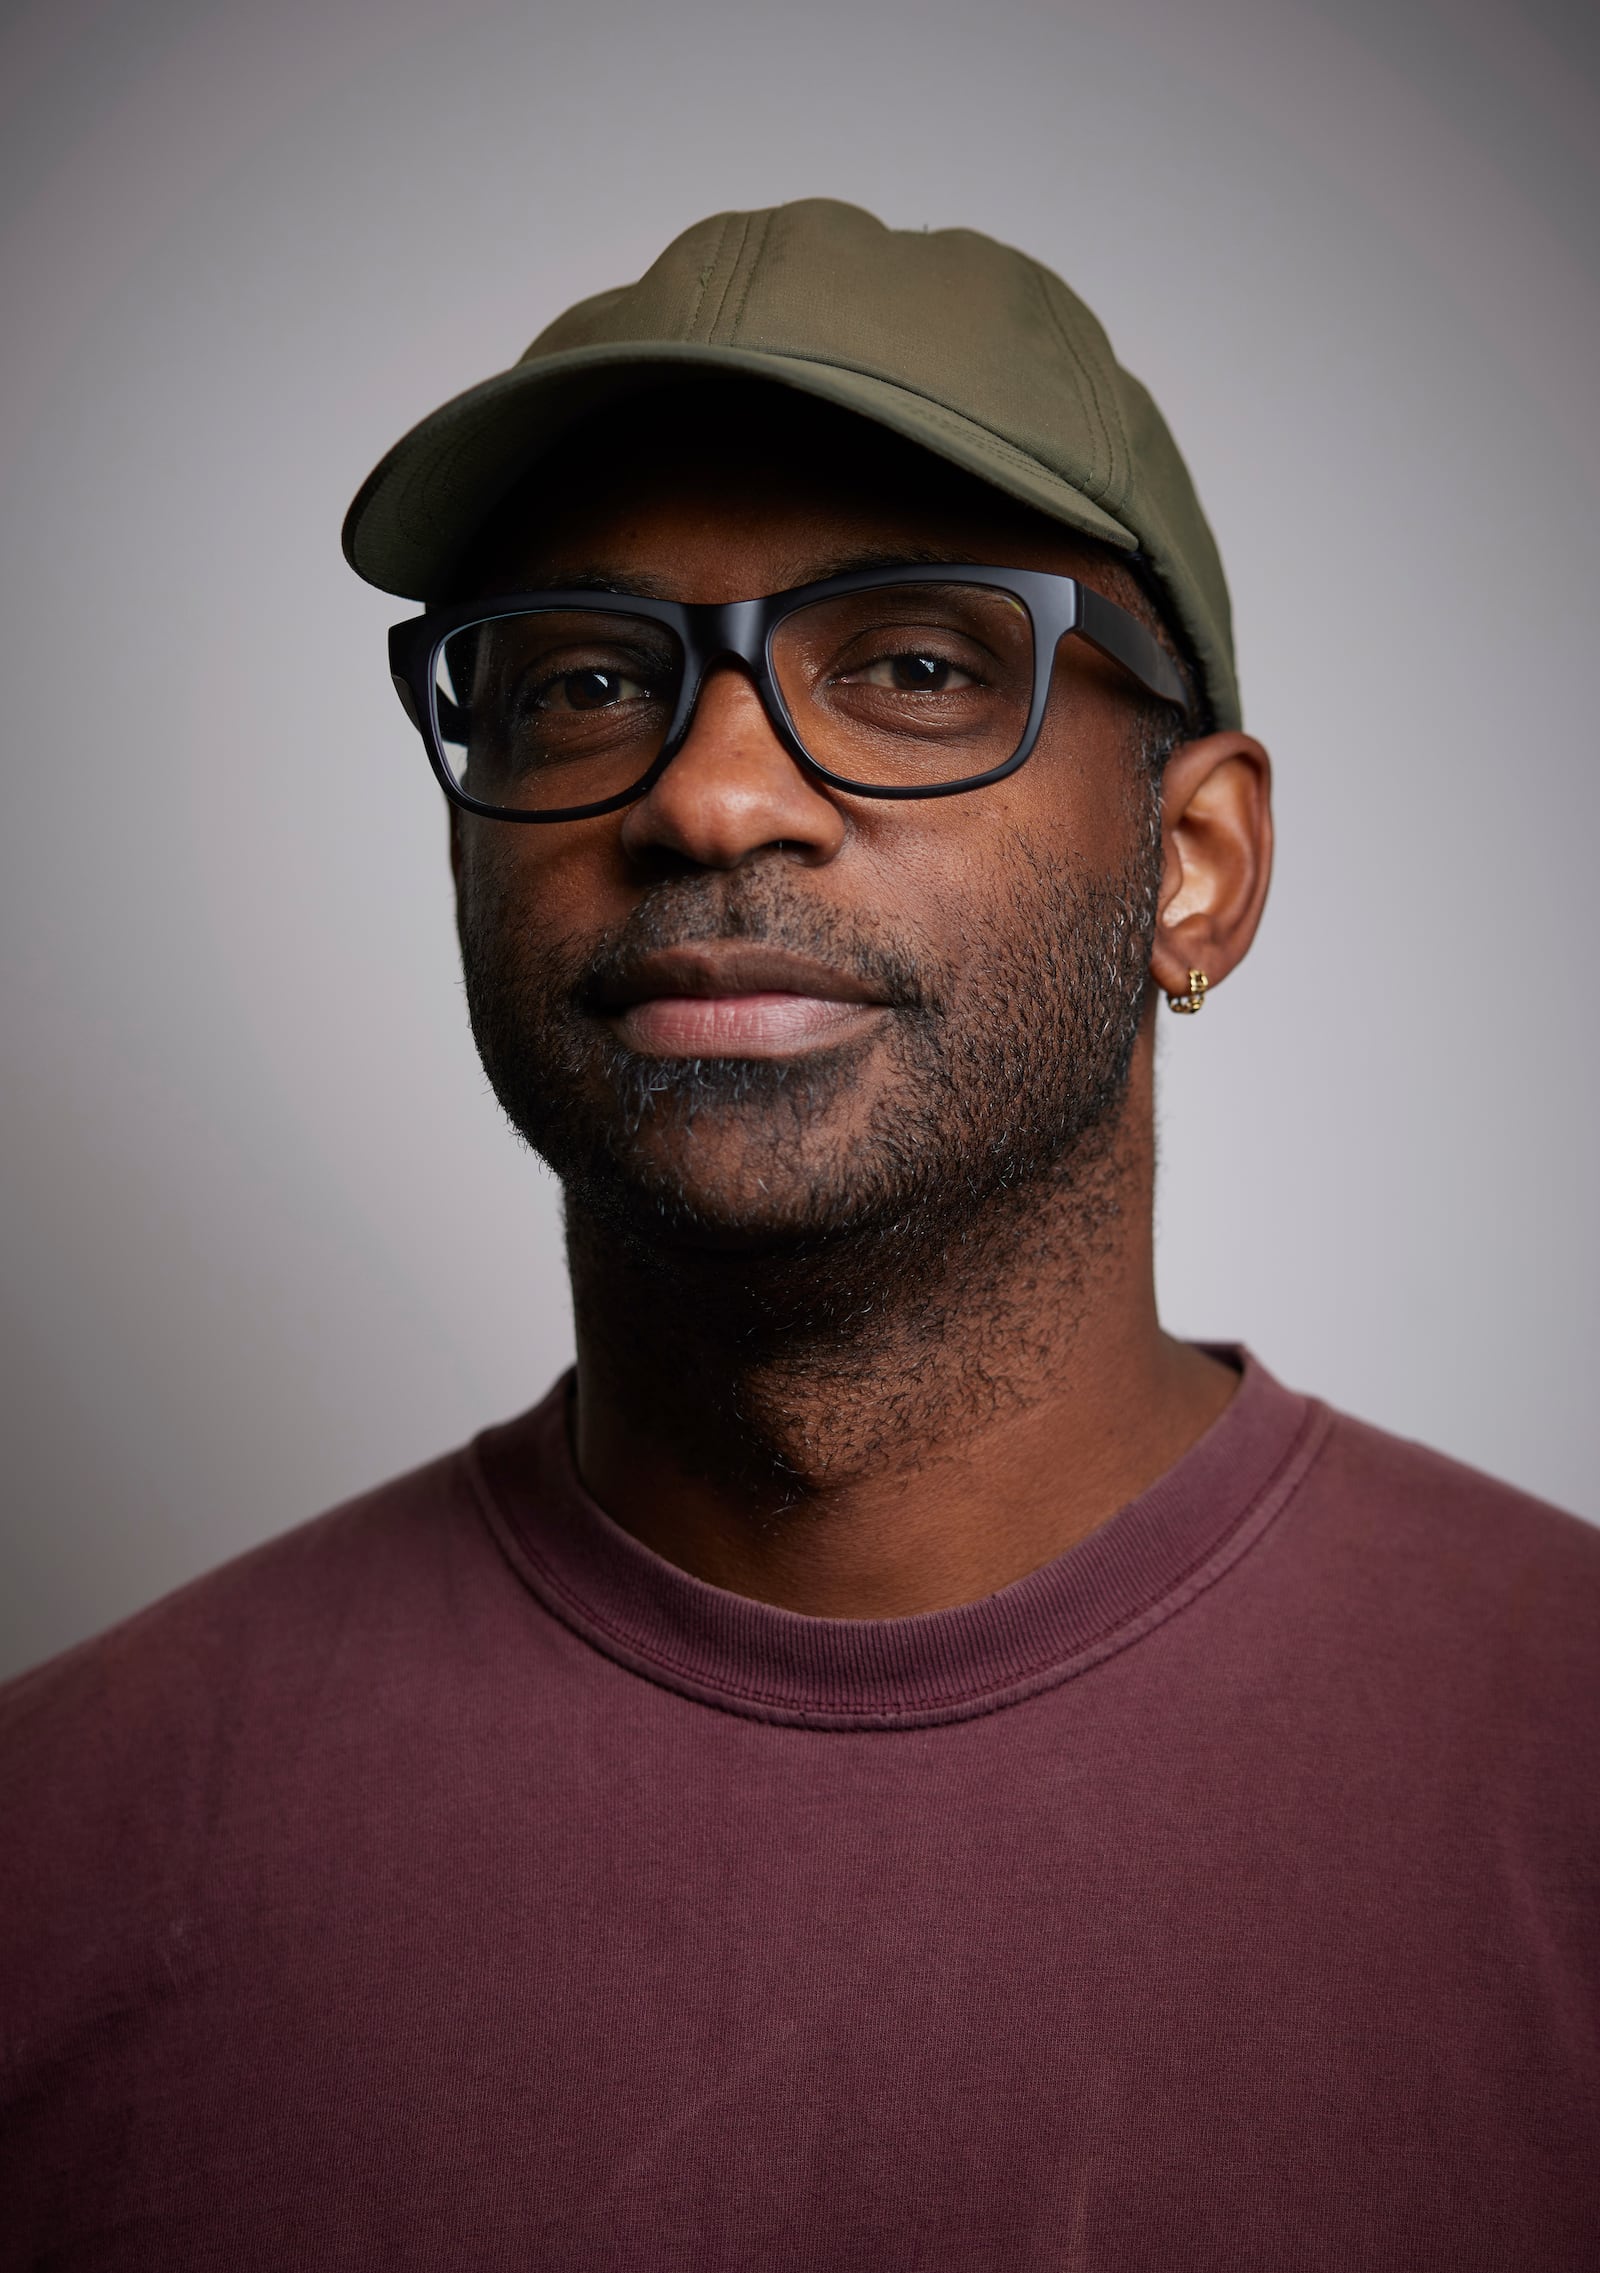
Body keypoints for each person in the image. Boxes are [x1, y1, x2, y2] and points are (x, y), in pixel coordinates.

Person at [2, 199, 1595, 2270]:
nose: (711, 799)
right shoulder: (59, 1856)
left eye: (918, 664)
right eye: (580, 679)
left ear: (1194, 866)